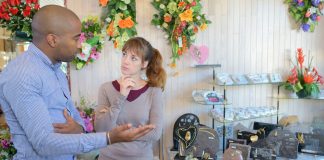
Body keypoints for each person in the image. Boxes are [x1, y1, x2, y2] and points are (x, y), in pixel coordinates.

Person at [0, 5, 154, 160]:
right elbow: (43, 143)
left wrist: (78, 127)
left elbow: (76, 119)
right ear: (53, 40)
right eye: (76, 38)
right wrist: (109, 137)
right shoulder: (22, 75)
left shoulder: (57, 72)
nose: (80, 45)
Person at [94, 37, 167, 160]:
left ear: (144, 63)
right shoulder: (106, 88)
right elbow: (101, 128)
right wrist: (121, 96)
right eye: (124, 54)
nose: (125, 61)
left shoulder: (154, 92)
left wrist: (117, 132)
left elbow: (155, 133)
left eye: (133, 58)